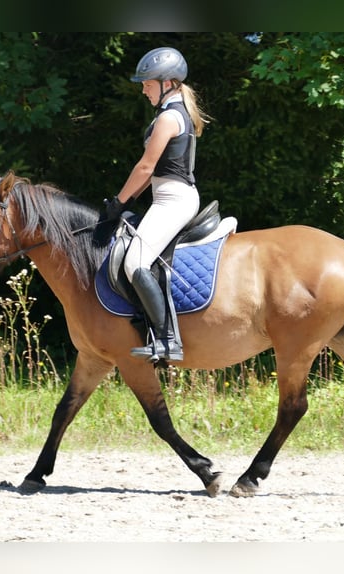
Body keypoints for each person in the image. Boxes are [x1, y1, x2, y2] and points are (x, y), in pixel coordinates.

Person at [106, 46, 210, 363]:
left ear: (168, 82)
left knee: (134, 261)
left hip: (174, 200)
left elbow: (145, 168)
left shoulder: (168, 117)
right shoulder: (173, 113)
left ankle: (167, 341)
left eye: (147, 82)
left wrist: (119, 201)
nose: (143, 88)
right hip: (169, 198)